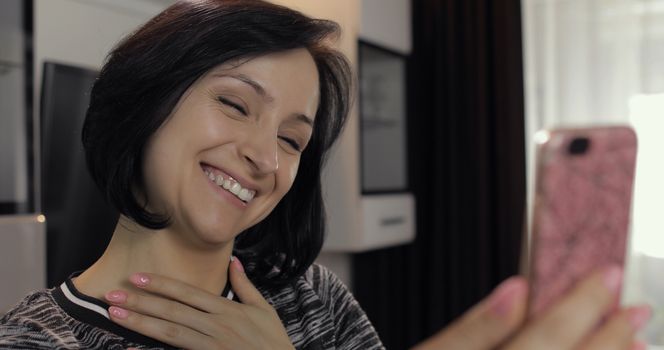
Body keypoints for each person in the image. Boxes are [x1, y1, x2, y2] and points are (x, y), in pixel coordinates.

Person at [0, 1, 651, 349]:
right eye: (234, 104)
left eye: (292, 139)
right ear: (142, 106)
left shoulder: (314, 298)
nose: (264, 156)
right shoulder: (34, 340)